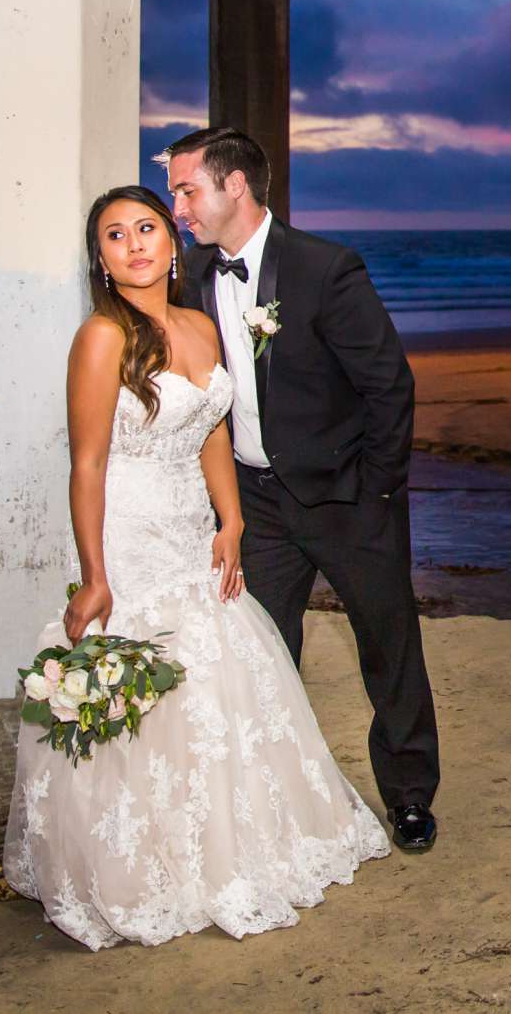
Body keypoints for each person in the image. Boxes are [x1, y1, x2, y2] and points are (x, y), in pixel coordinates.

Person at [3, 186, 391, 950]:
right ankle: (145, 867)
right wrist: (95, 574)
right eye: (115, 235)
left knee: (220, 680)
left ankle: (230, 848)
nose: (135, 243)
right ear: (102, 260)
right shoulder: (101, 339)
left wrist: (234, 517)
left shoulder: (200, 325)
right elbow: (86, 463)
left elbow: (213, 427)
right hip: (130, 531)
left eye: (146, 227)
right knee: (143, 692)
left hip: (192, 528)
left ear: (171, 243)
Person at [161, 126, 441, 856]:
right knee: (259, 649)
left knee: (388, 644)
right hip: (257, 505)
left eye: (187, 188)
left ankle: (410, 796)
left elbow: (389, 385)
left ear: (235, 187)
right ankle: (271, 798)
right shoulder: (190, 277)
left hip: (348, 497)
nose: (178, 204)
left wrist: (377, 489)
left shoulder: (324, 269)